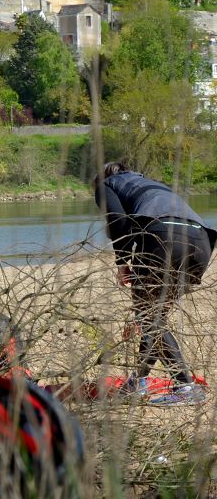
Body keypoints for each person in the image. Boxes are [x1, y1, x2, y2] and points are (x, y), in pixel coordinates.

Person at [96, 162, 214, 405]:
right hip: (201, 242)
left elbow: (117, 221)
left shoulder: (106, 184)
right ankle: (138, 382)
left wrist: (122, 262)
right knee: (153, 317)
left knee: (148, 318)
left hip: (163, 238)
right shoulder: (152, 185)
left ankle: (185, 386)